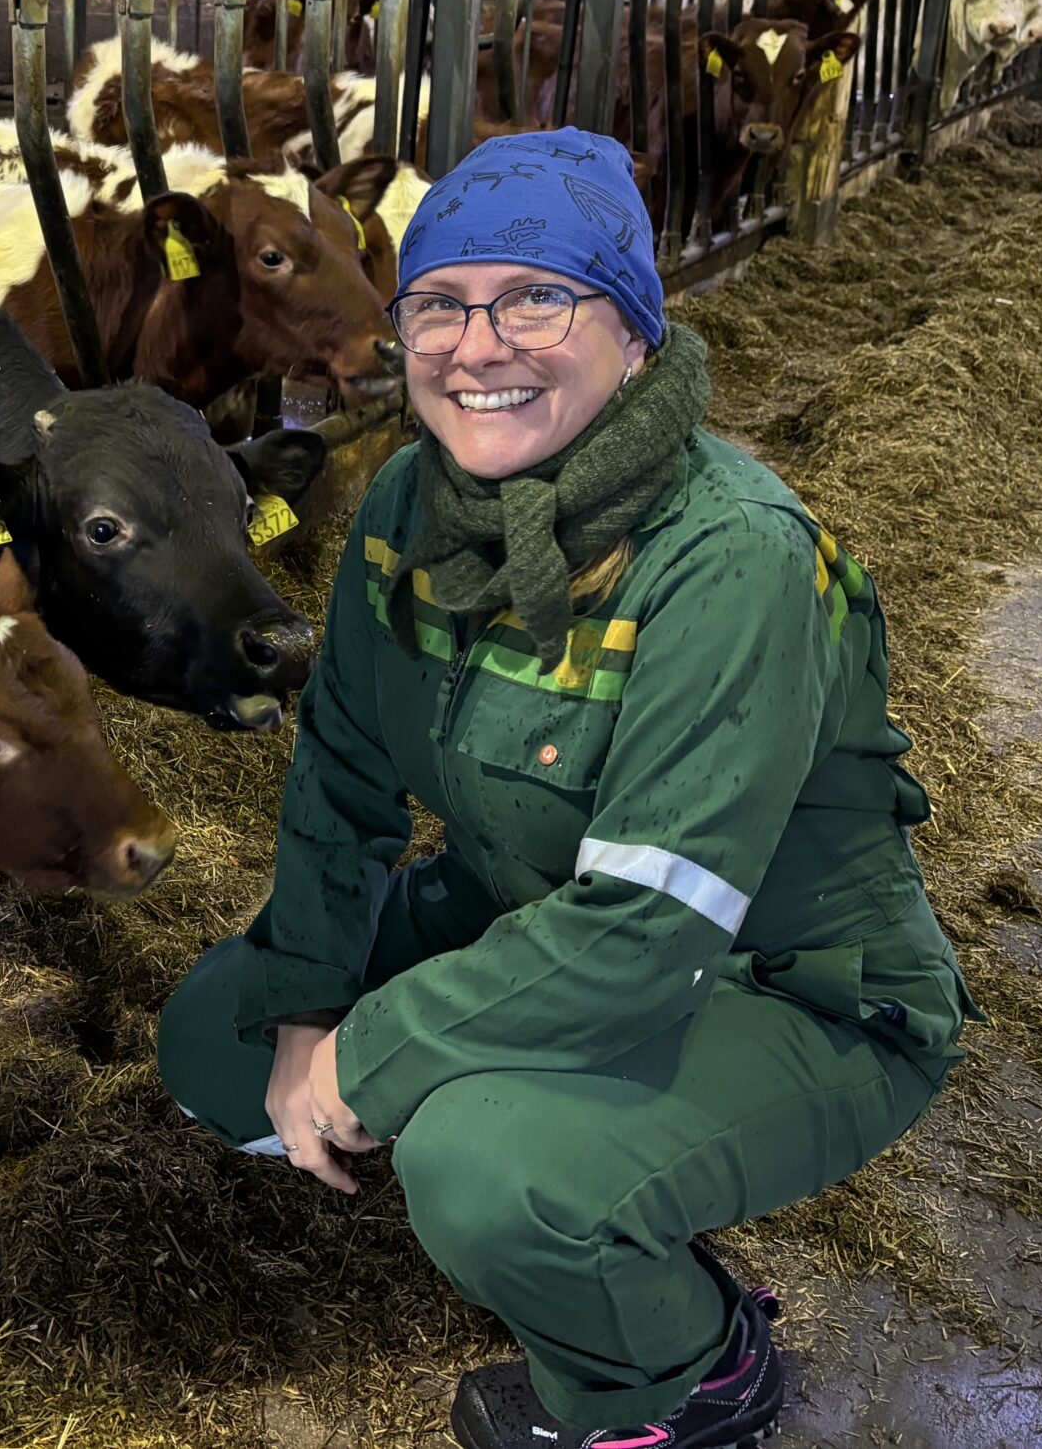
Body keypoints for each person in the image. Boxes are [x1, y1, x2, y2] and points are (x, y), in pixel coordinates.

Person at [157, 129, 977, 1449]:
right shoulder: (405, 511)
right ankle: (581, 1183)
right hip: (529, 906)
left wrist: (369, 1057)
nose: (480, 347)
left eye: (539, 298)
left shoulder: (732, 560)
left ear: (636, 333)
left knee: (488, 1165)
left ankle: (684, 1370)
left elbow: (650, 933)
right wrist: (310, 1008)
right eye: (438, 304)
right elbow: (343, 781)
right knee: (219, 1035)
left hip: (787, 982)